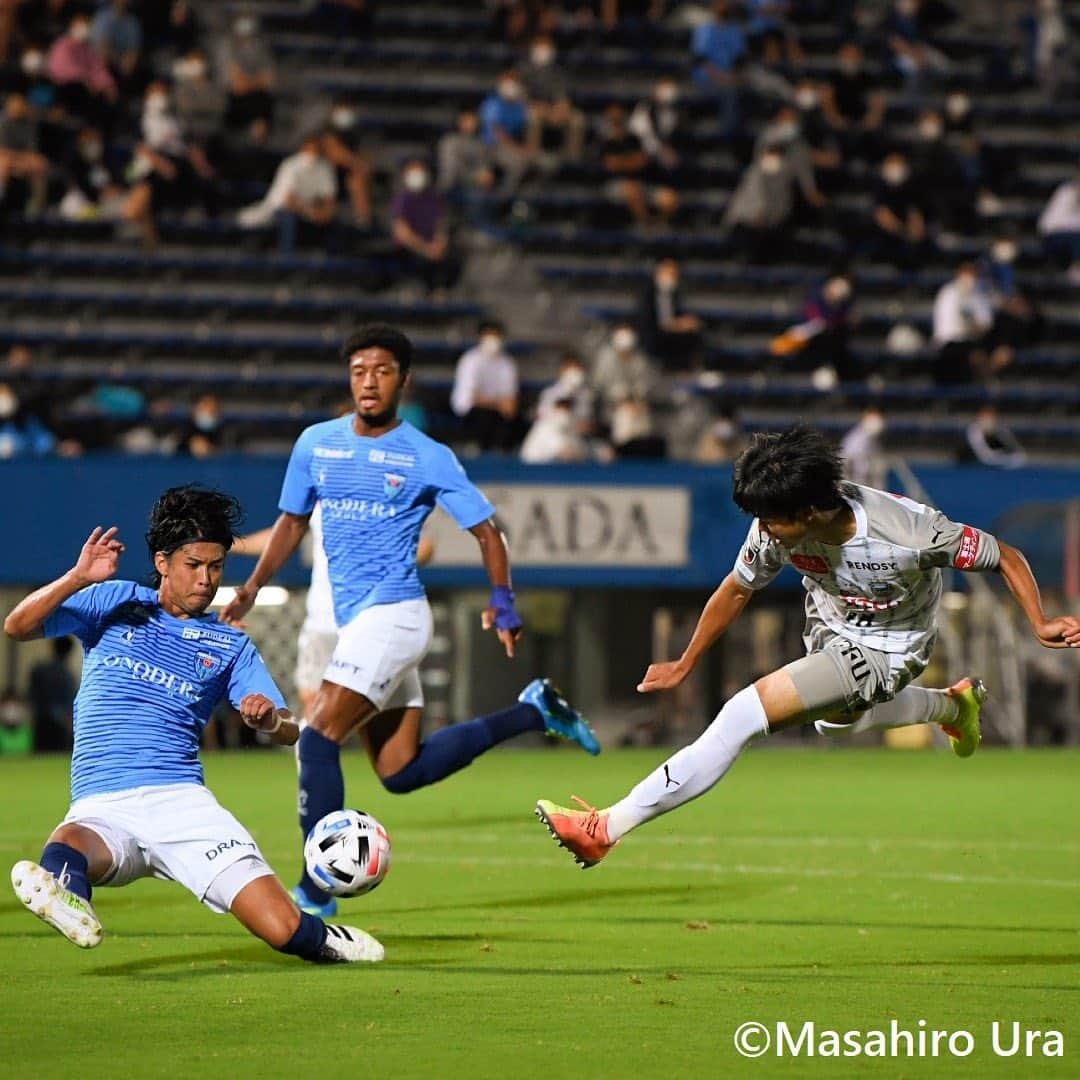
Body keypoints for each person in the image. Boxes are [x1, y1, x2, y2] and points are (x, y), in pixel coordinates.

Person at [536, 426, 1080, 867]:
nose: (763, 530)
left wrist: (1039, 620)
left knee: (739, 715)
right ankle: (952, 706)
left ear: (812, 512)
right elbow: (736, 588)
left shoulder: (909, 532)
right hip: (829, 630)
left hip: (891, 649)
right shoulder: (777, 528)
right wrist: (688, 659)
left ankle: (606, 827)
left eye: (771, 519)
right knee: (834, 727)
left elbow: (1003, 554)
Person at [220, 325, 599, 916]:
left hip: (394, 616)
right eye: (359, 371)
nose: (369, 382)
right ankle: (534, 710)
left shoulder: (426, 455)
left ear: (403, 379)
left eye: (382, 371)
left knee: (316, 740)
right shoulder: (316, 443)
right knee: (401, 770)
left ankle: (316, 891)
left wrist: (502, 603)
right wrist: (249, 588)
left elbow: (486, 532)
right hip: (358, 625)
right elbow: (292, 524)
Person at [4, 486, 383, 963]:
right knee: (66, 845)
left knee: (284, 930)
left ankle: (325, 939)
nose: (206, 579)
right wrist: (78, 577)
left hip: (182, 805)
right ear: (163, 562)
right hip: (103, 802)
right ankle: (68, 896)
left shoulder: (230, 645)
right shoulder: (115, 602)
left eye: (216, 566)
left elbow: (290, 728)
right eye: (194, 565)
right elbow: (17, 628)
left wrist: (268, 719)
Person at [233, 505, 435, 720]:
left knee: (386, 730)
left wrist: (376, 564)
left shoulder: (386, 484)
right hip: (323, 622)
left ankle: (476, 731)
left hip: (374, 623)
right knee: (314, 711)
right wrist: (230, 544)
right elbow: (285, 533)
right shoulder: (319, 485)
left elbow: (425, 546)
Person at [932, 262, 1011, 384]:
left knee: (1003, 353)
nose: (970, 277)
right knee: (976, 357)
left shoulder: (978, 294)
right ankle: (988, 386)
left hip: (974, 339)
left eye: (973, 273)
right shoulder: (948, 293)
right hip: (951, 342)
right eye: (967, 272)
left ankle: (989, 386)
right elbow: (947, 329)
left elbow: (985, 322)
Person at [390, 157, 460, 294]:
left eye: (420, 171)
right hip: (411, 250)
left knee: (452, 258)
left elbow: (441, 226)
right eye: (413, 171)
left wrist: (440, 244)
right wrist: (425, 249)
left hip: (433, 249)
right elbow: (402, 233)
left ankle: (441, 292)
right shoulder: (402, 199)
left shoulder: (434, 198)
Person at [450, 320, 522, 452]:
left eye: (496, 335)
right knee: (484, 417)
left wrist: (506, 406)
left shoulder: (507, 363)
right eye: (489, 335)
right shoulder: (470, 360)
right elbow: (472, 397)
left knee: (514, 419)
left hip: (497, 410)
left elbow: (510, 397)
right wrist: (498, 404)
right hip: (471, 410)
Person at [638, 258, 702, 371]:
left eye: (673, 274)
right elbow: (660, 324)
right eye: (668, 272)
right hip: (654, 338)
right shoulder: (648, 294)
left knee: (695, 332)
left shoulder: (673, 294)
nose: (671, 277)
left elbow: (675, 315)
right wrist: (679, 325)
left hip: (668, 335)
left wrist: (684, 322)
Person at [27, 635, 77, 752]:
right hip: (60, 721)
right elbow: (70, 699)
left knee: (40, 754)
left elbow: (31, 693)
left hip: (41, 719)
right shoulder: (67, 675)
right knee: (57, 753)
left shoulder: (39, 669)